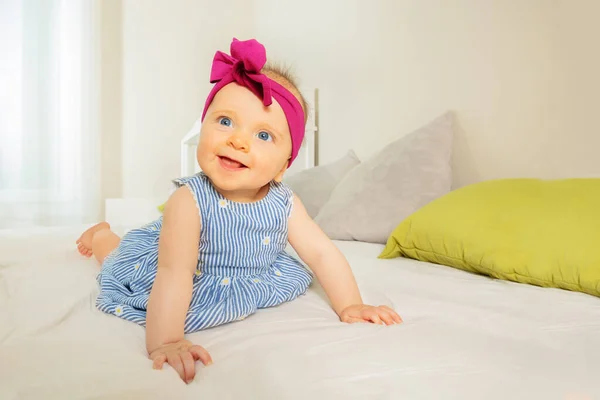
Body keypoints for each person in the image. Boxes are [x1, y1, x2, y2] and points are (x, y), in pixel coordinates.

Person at [76, 38, 402, 384]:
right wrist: (167, 341)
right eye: (226, 122)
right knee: (117, 258)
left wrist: (350, 305)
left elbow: (322, 254)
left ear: (282, 167)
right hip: (178, 265)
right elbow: (174, 272)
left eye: (263, 135)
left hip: (248, 275)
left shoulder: (285, 203)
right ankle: (100, 234)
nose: (238, 141)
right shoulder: (188, 201)